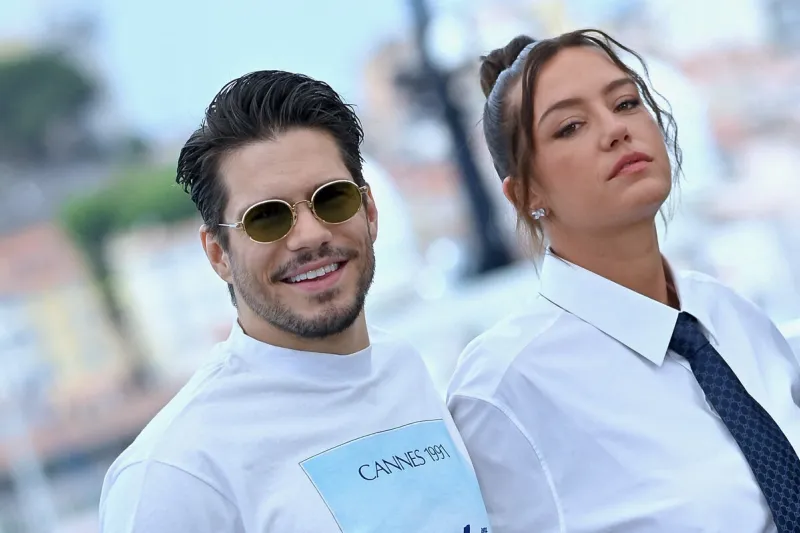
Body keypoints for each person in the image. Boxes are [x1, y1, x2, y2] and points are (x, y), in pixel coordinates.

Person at [99, 70, 492, 533]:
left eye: (332, 199)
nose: (310, 235)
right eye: (266, 217)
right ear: (218, 254)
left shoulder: (404, 368)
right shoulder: (176, 475)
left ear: (369, 212)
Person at [447, 29, 800, 533]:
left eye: (626, 103)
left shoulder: (729, 312)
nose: (615, 129)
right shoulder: (505, 389)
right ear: (525, 194)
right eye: (570, 126)